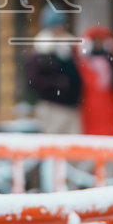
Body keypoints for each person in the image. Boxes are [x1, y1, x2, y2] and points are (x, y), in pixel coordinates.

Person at [24, 7, 83, 135]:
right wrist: (58, 84)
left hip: (71, 109)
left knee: (73, 150)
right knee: (53, 148)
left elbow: (77, 77)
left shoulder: (69, 50)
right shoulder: (41, 52)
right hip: (51, 108)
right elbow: (33, 81)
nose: (59, 30)